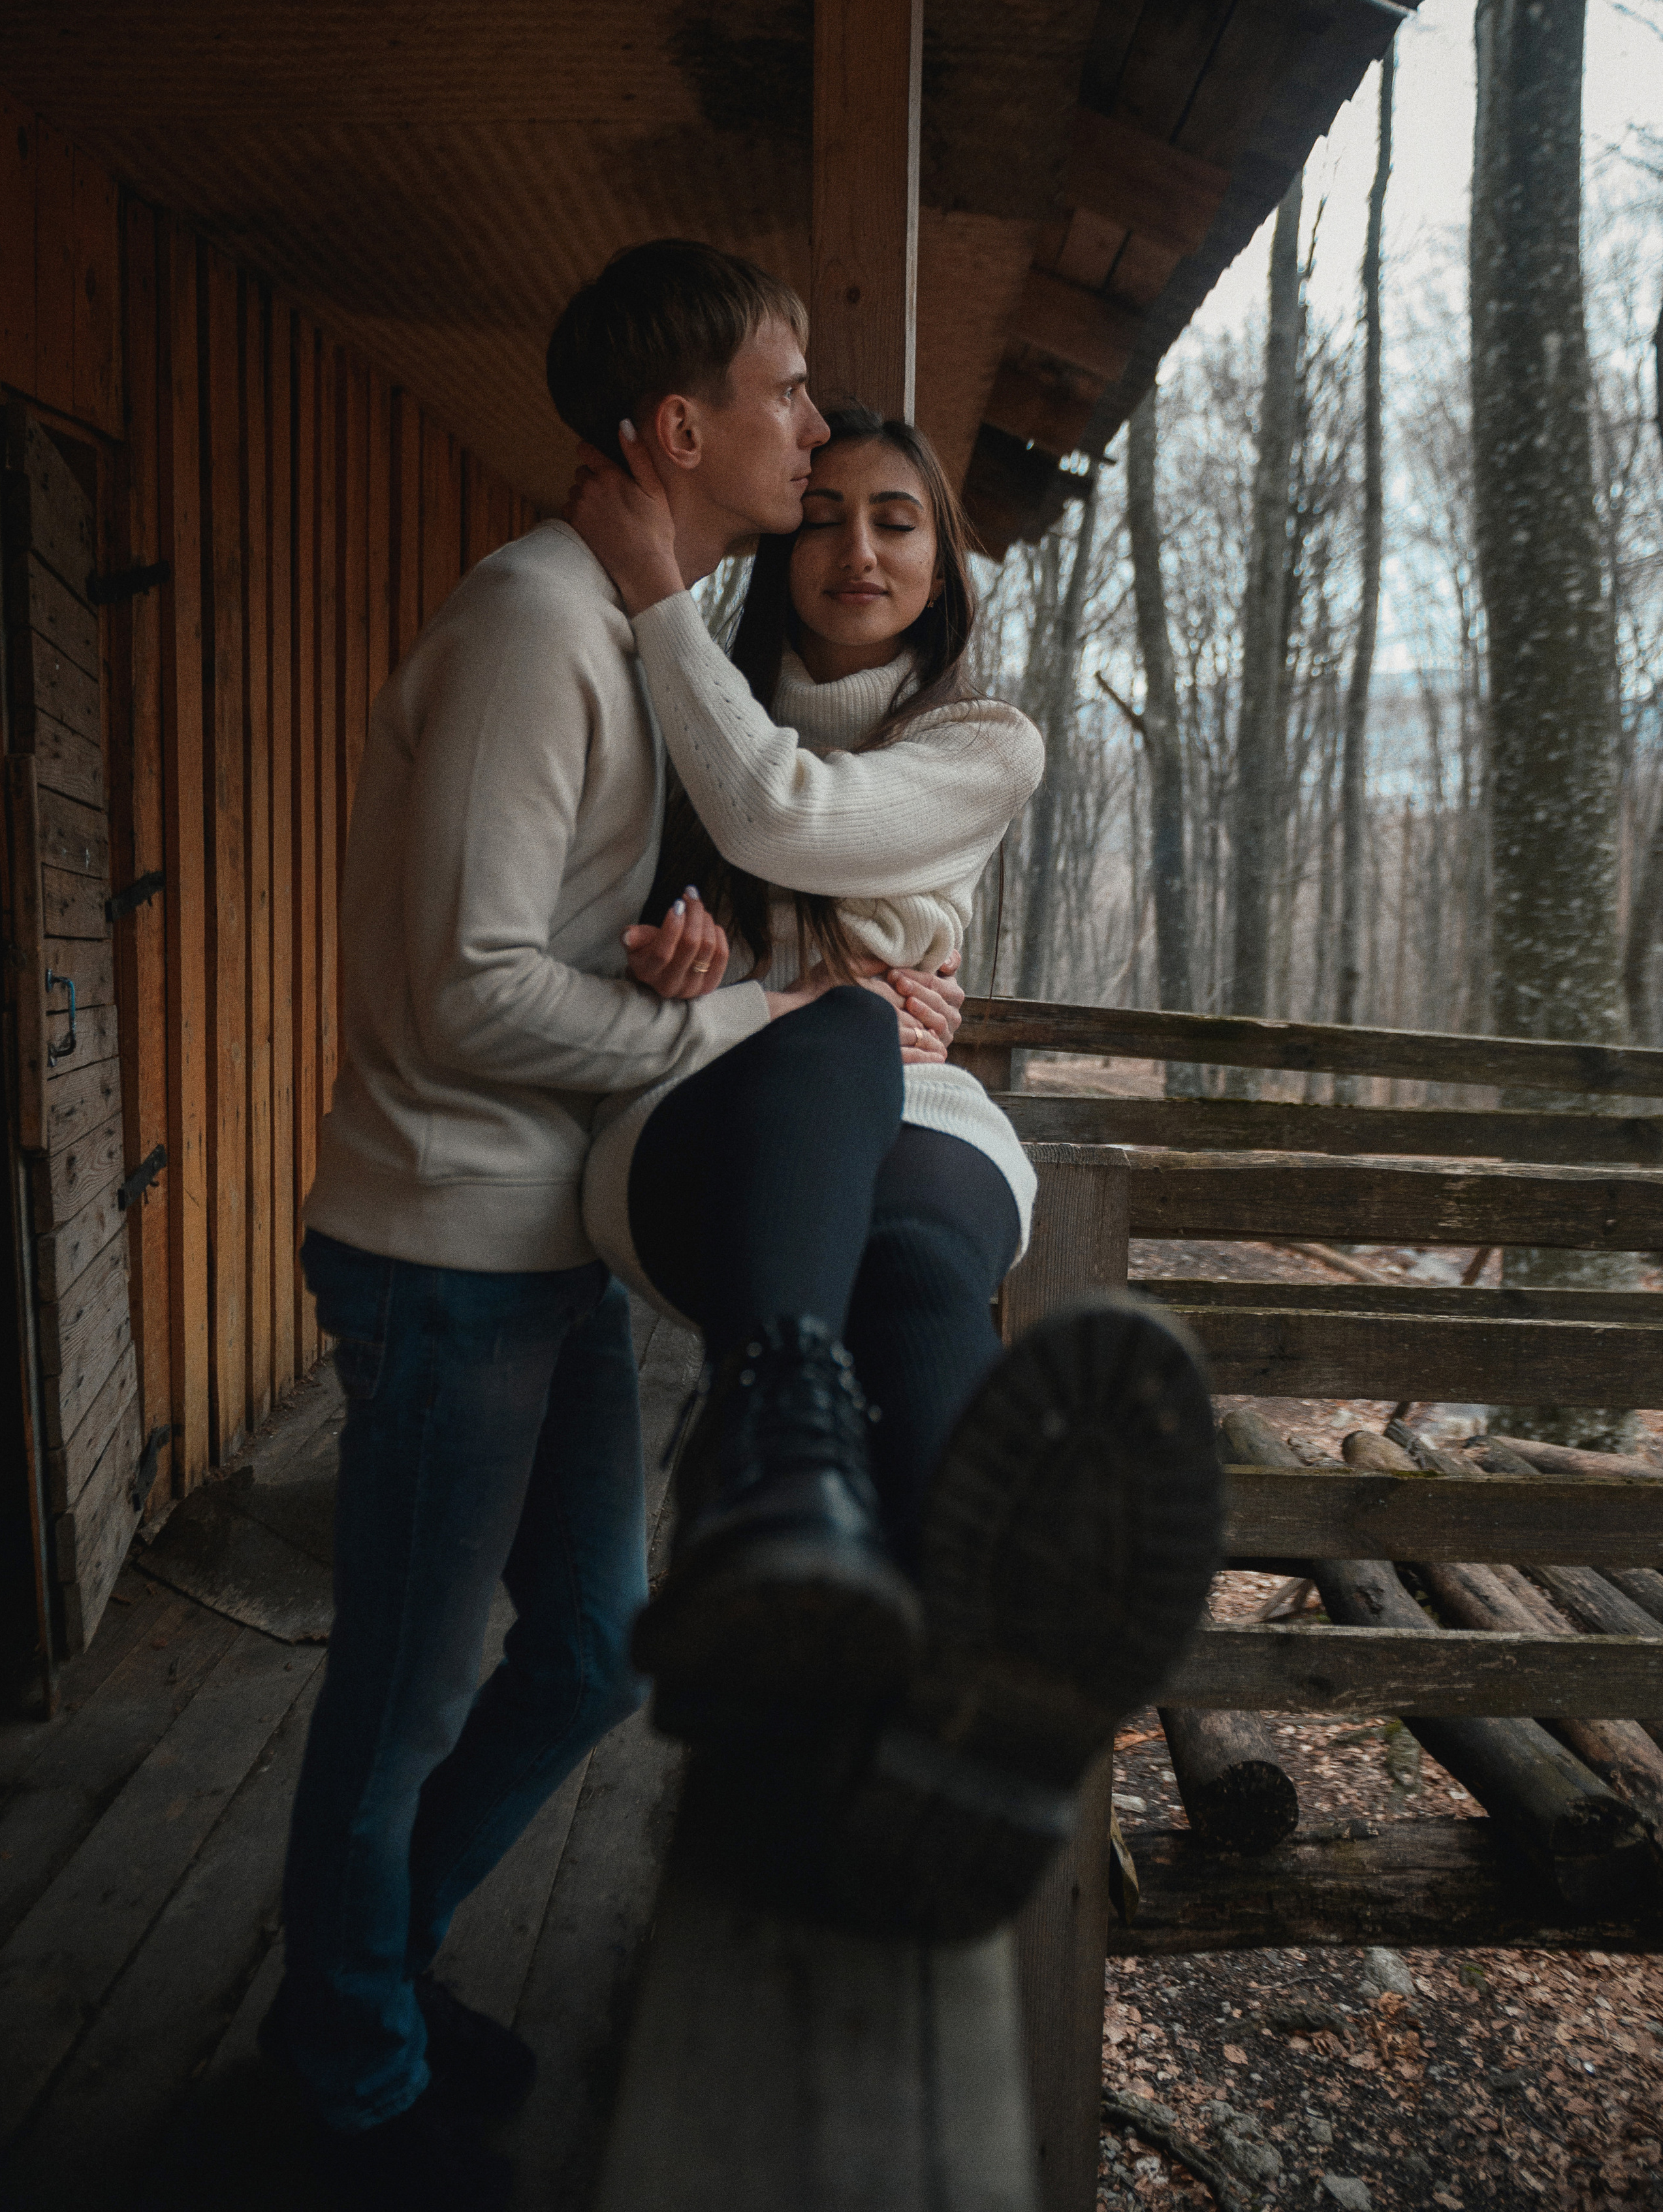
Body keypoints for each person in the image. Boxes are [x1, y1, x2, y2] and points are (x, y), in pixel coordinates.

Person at [262, 242, 961, 2209]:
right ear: (677, 428)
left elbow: (589, 939)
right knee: (401, 1704)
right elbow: (472, 986)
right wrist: (747, 1012)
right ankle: (350, 2068)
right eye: (788, 391)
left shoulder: (634, 633)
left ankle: (362, 1968)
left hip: (541, 1241)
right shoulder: (529, 620)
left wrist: (694, 950)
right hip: (439, 1253)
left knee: (582, 1655)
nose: (813, 427)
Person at [566, 400, 1224, 1941]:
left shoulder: (981, 741)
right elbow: (641, 889)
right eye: (822, 514)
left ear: (942, 562)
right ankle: (806, 1492)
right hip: (702, 1124)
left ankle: (949, 1679)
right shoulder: (674, 707)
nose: (855, 546)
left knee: (921, 1255)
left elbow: (775, 808)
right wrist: (676, 959)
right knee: (845, 1035)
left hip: (917, 1122)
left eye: (894, 519)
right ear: (783, 546)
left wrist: (657, 590)